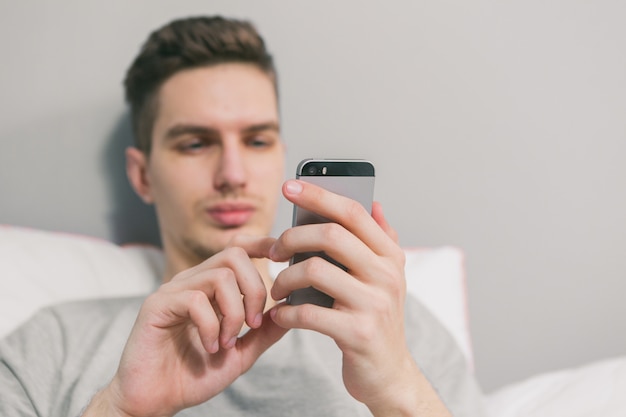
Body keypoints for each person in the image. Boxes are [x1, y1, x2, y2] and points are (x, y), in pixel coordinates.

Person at [0, 16, 486, 416]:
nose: (232, 173)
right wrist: (118, 409)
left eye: (256, 141)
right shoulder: (55, 344)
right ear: (142, 175)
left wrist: (398, 389)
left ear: (281, 156)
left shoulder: (395, 328)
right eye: (195, 143)